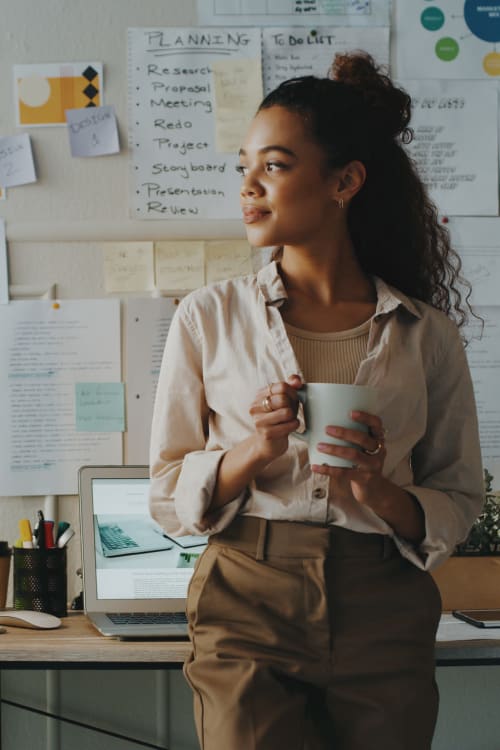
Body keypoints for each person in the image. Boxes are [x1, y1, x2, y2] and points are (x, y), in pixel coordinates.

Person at [149, 52, 483, 750]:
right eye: (243, 167)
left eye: (273, 165)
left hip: (385, 603)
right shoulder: (207, 317)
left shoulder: (427, 334)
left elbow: (458, 496)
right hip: (247, 595)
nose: (248, 187)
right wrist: (257, 448)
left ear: (345, 181)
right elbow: (167, 491)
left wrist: (376, 488)